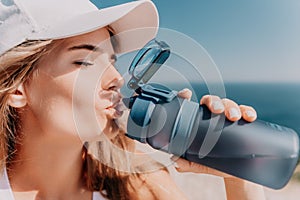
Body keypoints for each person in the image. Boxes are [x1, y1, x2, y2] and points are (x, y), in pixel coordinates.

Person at [0, 0, 266, 199]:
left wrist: (238, 177)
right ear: (17, 89)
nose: (116, 77)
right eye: (86, 60)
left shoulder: (139, 185)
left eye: (112, 61)